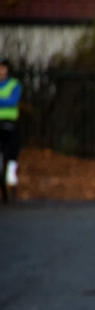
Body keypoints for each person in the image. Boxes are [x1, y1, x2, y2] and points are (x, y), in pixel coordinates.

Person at [0, 57, 21, 202]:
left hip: (10, 122)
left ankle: (11, 172)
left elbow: (13, 101)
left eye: (3, 67)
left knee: (15, 145)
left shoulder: (14, 84)